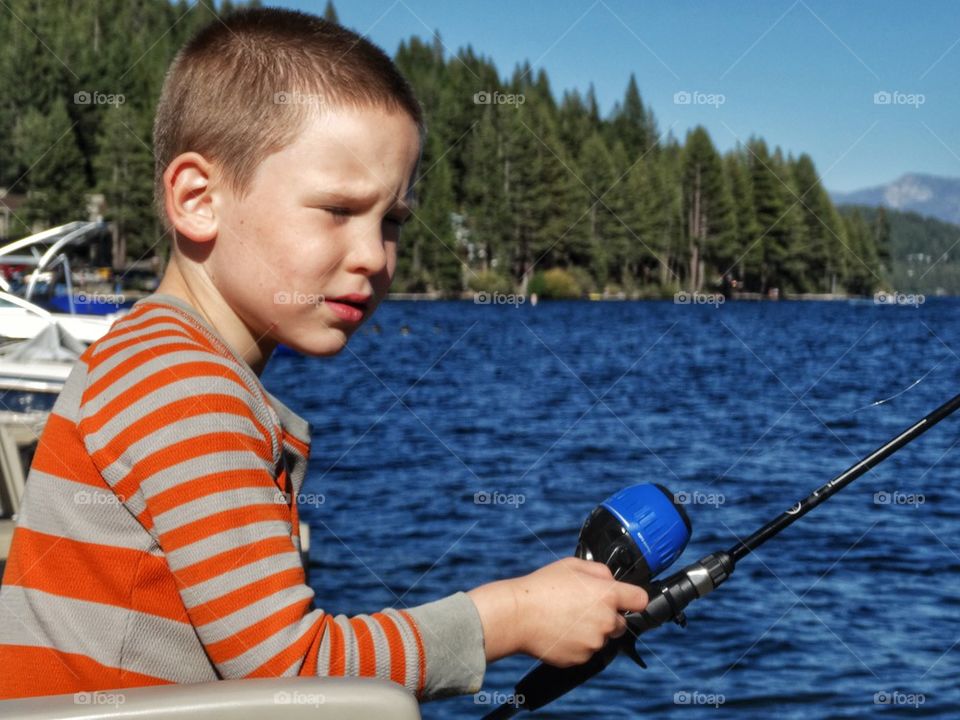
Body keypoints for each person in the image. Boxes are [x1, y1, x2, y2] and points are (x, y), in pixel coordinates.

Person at [0, 7, 647, 703]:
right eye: (338, 210)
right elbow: (291, 673)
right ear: (198, 200)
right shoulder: (186, 388)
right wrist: (511, 616)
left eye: (392, 220)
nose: (374, 256)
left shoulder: (148, 355)